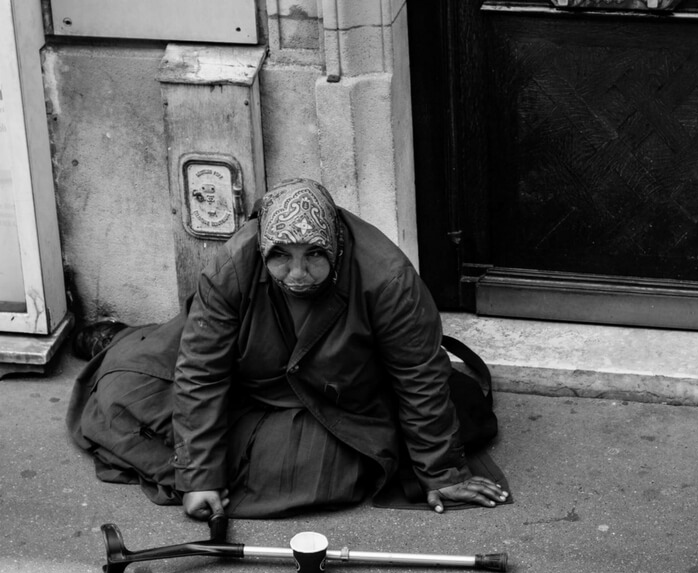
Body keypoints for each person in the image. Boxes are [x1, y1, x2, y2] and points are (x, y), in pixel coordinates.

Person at [67, 178, 507, 519]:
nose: (297, 273)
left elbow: (419, 374)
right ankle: (118, 339)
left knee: (318, 473)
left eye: (314, 255)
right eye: (281, 256)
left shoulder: (387, 278)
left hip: (339, 394)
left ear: (335, 244)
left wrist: (442, 472)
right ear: (263, 248)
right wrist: (199, 475)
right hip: (248, 375)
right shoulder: (233, 265)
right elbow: (202, 369)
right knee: (123, 394)